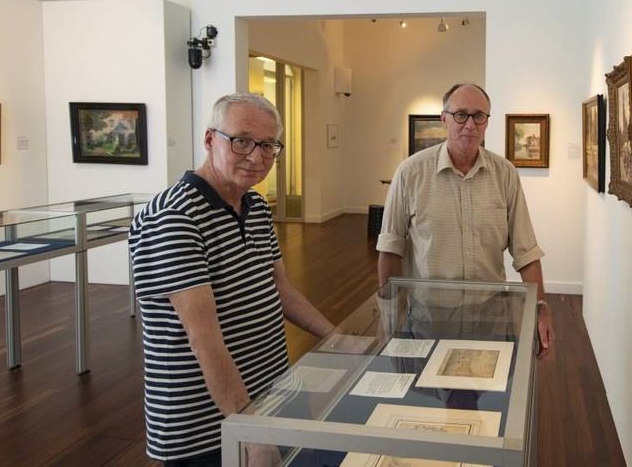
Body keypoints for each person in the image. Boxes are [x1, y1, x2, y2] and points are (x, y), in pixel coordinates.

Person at [129, 93, 334, 466]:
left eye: (269, 145)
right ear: (210, 140)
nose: (257, 157)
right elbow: (202, 337)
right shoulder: (174, 218)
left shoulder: (254, 206)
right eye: (241, 141)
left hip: (270, 395)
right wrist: (248, 429)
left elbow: (280, 290)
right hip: (207, 424)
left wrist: (338, 338)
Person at [376, 83, 555, 357]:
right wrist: (389, 317)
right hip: (430, 319)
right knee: (431, 397)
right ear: (444, 119)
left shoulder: (504, 174)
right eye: (461, 115)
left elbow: (526, 251)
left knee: (487, 396)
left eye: (479, 116)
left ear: (486, 122)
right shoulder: (410, 173)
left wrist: (540, 307)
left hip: (492, 317)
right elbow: (390, 249)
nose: (470, 124)